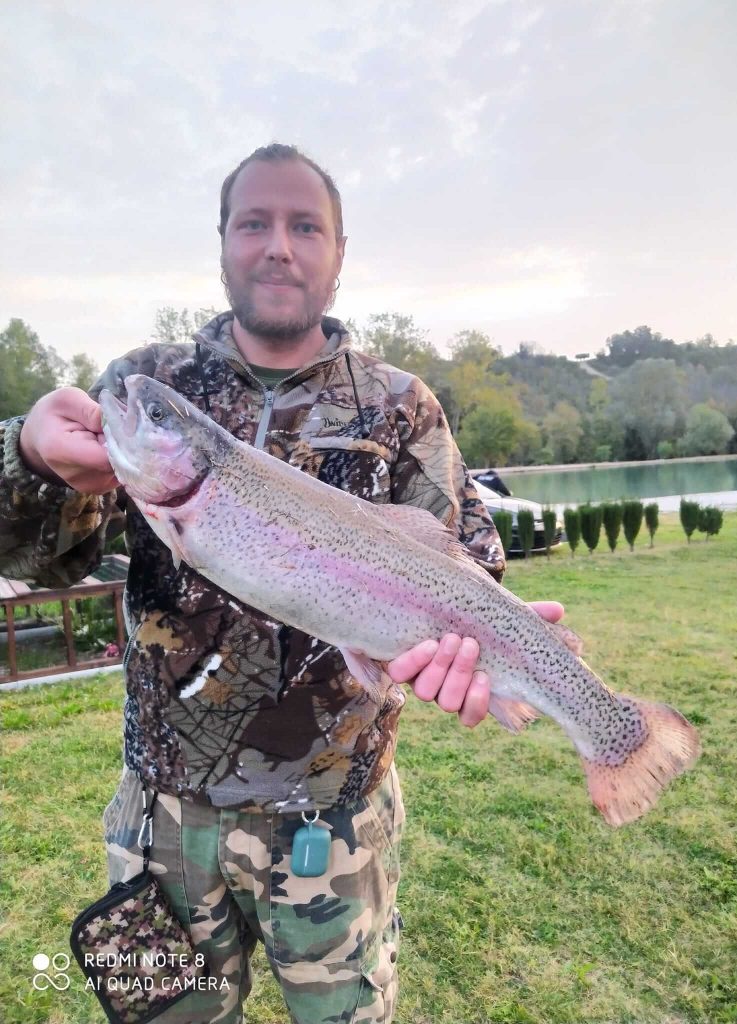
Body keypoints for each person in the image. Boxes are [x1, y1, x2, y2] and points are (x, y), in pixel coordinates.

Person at [0, 144, 563, 1024]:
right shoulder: (152, 389)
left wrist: (485, 646)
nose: (279, 246)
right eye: (253, 222)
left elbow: (468, 561)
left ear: (339, 254)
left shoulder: (400, 407)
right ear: (222, 244)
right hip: (159, 824)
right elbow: (41, 557)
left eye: (306, 226)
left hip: (334, 825)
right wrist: (28, 454)